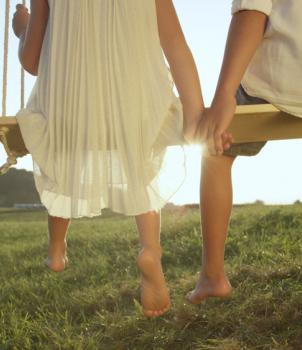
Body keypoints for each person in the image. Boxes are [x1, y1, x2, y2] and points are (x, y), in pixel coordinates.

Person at [12, 0, 204, 317]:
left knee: (62, 157)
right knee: (140, 165)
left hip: (70, 111)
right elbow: (175, 44)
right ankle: (150, 249)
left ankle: (57, 249)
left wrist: (21, 26)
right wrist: (194, 110)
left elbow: (32, 62)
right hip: (135, 108)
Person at [187, 0, 302, 306]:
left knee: (215, 151)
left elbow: (252, 11)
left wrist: (224, 93)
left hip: (278, 75)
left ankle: (213, 275)